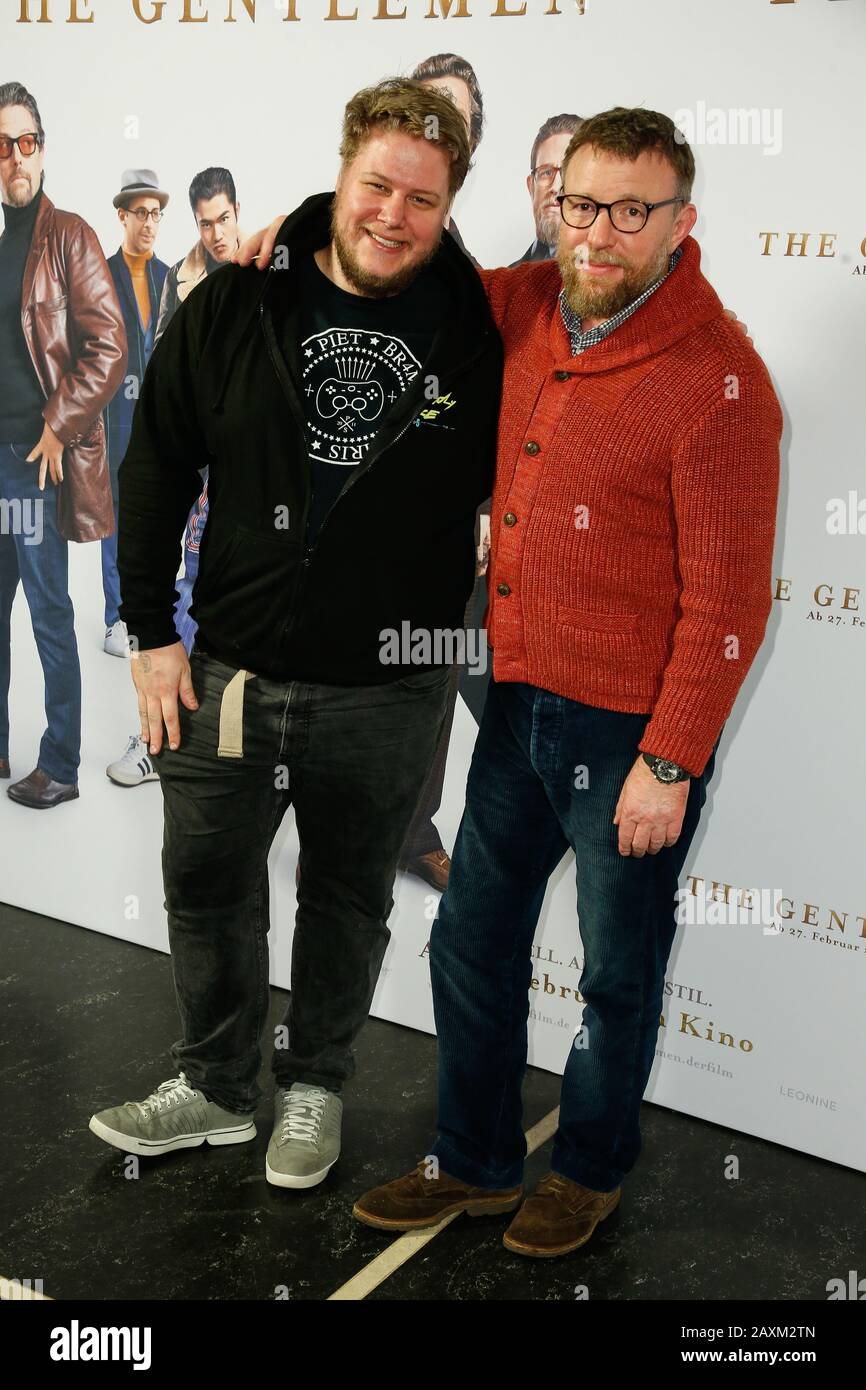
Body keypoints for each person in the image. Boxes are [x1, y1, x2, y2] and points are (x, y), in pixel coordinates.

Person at [239, 104, 781, 1256]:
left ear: (680, 222)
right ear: (552, 202)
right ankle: (477, 1160)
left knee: (614, 975)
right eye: (579, 203)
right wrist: (286, 234)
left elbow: (729, 606)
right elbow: (397, 260)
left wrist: (668, 762)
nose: (598, 233)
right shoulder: (524, 301)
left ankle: (585, 1168)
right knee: (469, 943)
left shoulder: (721, 382)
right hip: (516, 705)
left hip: (631, 735)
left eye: (632, 211)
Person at [88, 78, 503, 1195]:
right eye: (376, 185)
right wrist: (149, 633)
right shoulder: (236, 303)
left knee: (346, 895)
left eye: (422, 198)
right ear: (341, 174)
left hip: (388, 686)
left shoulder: (482, 328)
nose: (391, 215)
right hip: (225, 667)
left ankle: (312, 1079)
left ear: (450, 203)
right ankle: (217, 1087)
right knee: (206, 883)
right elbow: (156, 463)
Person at [0, 82, 126, 809]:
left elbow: (108, 349)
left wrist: (57, 425)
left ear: (42, 148)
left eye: (26, 142)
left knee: (50, 613)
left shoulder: (69, 236)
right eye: (3, 145)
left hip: (32, 463)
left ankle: (63, 763)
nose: (15, 157)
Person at [106, 168, 241, 788]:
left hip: (248, 484)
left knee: (236, 616)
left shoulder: (268, 274)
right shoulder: (179, 283)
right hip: (196, 474)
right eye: (204, 222)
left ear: (237, 212)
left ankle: (233, 756)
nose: (215, 233)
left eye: (223, 218)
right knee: (182, 599)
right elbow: (163, 377)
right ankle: (161, 744)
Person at [102, 169, 170, 660]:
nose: (149, 223)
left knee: (157, 518)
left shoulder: (171, 277)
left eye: (156, 214)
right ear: (122, 215)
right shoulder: (100, 276)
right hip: (114, 420)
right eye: (140, 213)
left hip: (160, 424)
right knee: (114, 519)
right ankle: (114, 618)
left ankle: (154, 614)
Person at [510, 112, 583, 265]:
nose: (556, 187)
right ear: (531, 187)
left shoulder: (617, 276)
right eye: (546, 172)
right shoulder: (506, 283)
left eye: (567, 172)